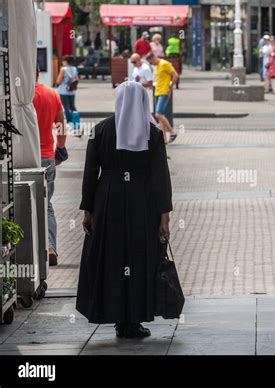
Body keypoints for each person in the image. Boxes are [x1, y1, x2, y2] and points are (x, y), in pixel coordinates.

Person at [76, 81, 173, 338]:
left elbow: (89, 174)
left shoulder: (100, 130)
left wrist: (89, 210)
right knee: (138, 258)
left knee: (112, 258)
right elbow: (160, 176)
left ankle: (116, 315)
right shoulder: (152, 134)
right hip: (143, 202)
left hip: (108, 201)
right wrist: (164, 216)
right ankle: (134, 318)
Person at [33, 64, 68, 266]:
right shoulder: (51, 94)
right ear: (38, 72)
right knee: (46, 204)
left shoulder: (16, 95)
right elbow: (61, 126)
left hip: (21, 157)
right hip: (46, 156)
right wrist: (60, 149)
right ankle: (50, 246)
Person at [147, 53, 179, 143]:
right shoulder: (157, 66)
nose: (151, 64)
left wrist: (170, 87)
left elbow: (175, 75)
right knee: (161, 117)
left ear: (153, 58)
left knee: (158, 114)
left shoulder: (164, 64)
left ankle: (172, 132)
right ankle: (164, 139)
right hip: (157, 91)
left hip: (164, 92)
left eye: (151, 62)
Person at [56, 55, 79, 127]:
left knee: (66, 107)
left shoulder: (63, 69)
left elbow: (58, 81)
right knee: (73, 106)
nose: (62, 62)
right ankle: (76, 121)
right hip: (72, 91)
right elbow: (77, 79)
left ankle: (69, 122)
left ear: (66, 61)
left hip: (64, 91)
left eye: (63, 60)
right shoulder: (74, 68)